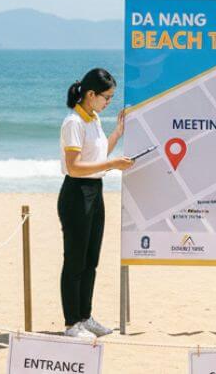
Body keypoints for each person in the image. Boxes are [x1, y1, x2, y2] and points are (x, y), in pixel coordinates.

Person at [59, 68, 134, 339]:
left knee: (91, 260)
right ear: (90, 94)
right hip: (77, 193)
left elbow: (102, 152)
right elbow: (75, 166)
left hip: (95, 189)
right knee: (74, 260)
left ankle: (85, 316)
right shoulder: (74, 122)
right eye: (106, 97)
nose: (108, 102)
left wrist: (119, 131)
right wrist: (113, 165)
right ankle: (71, 323)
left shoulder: (94, 119)